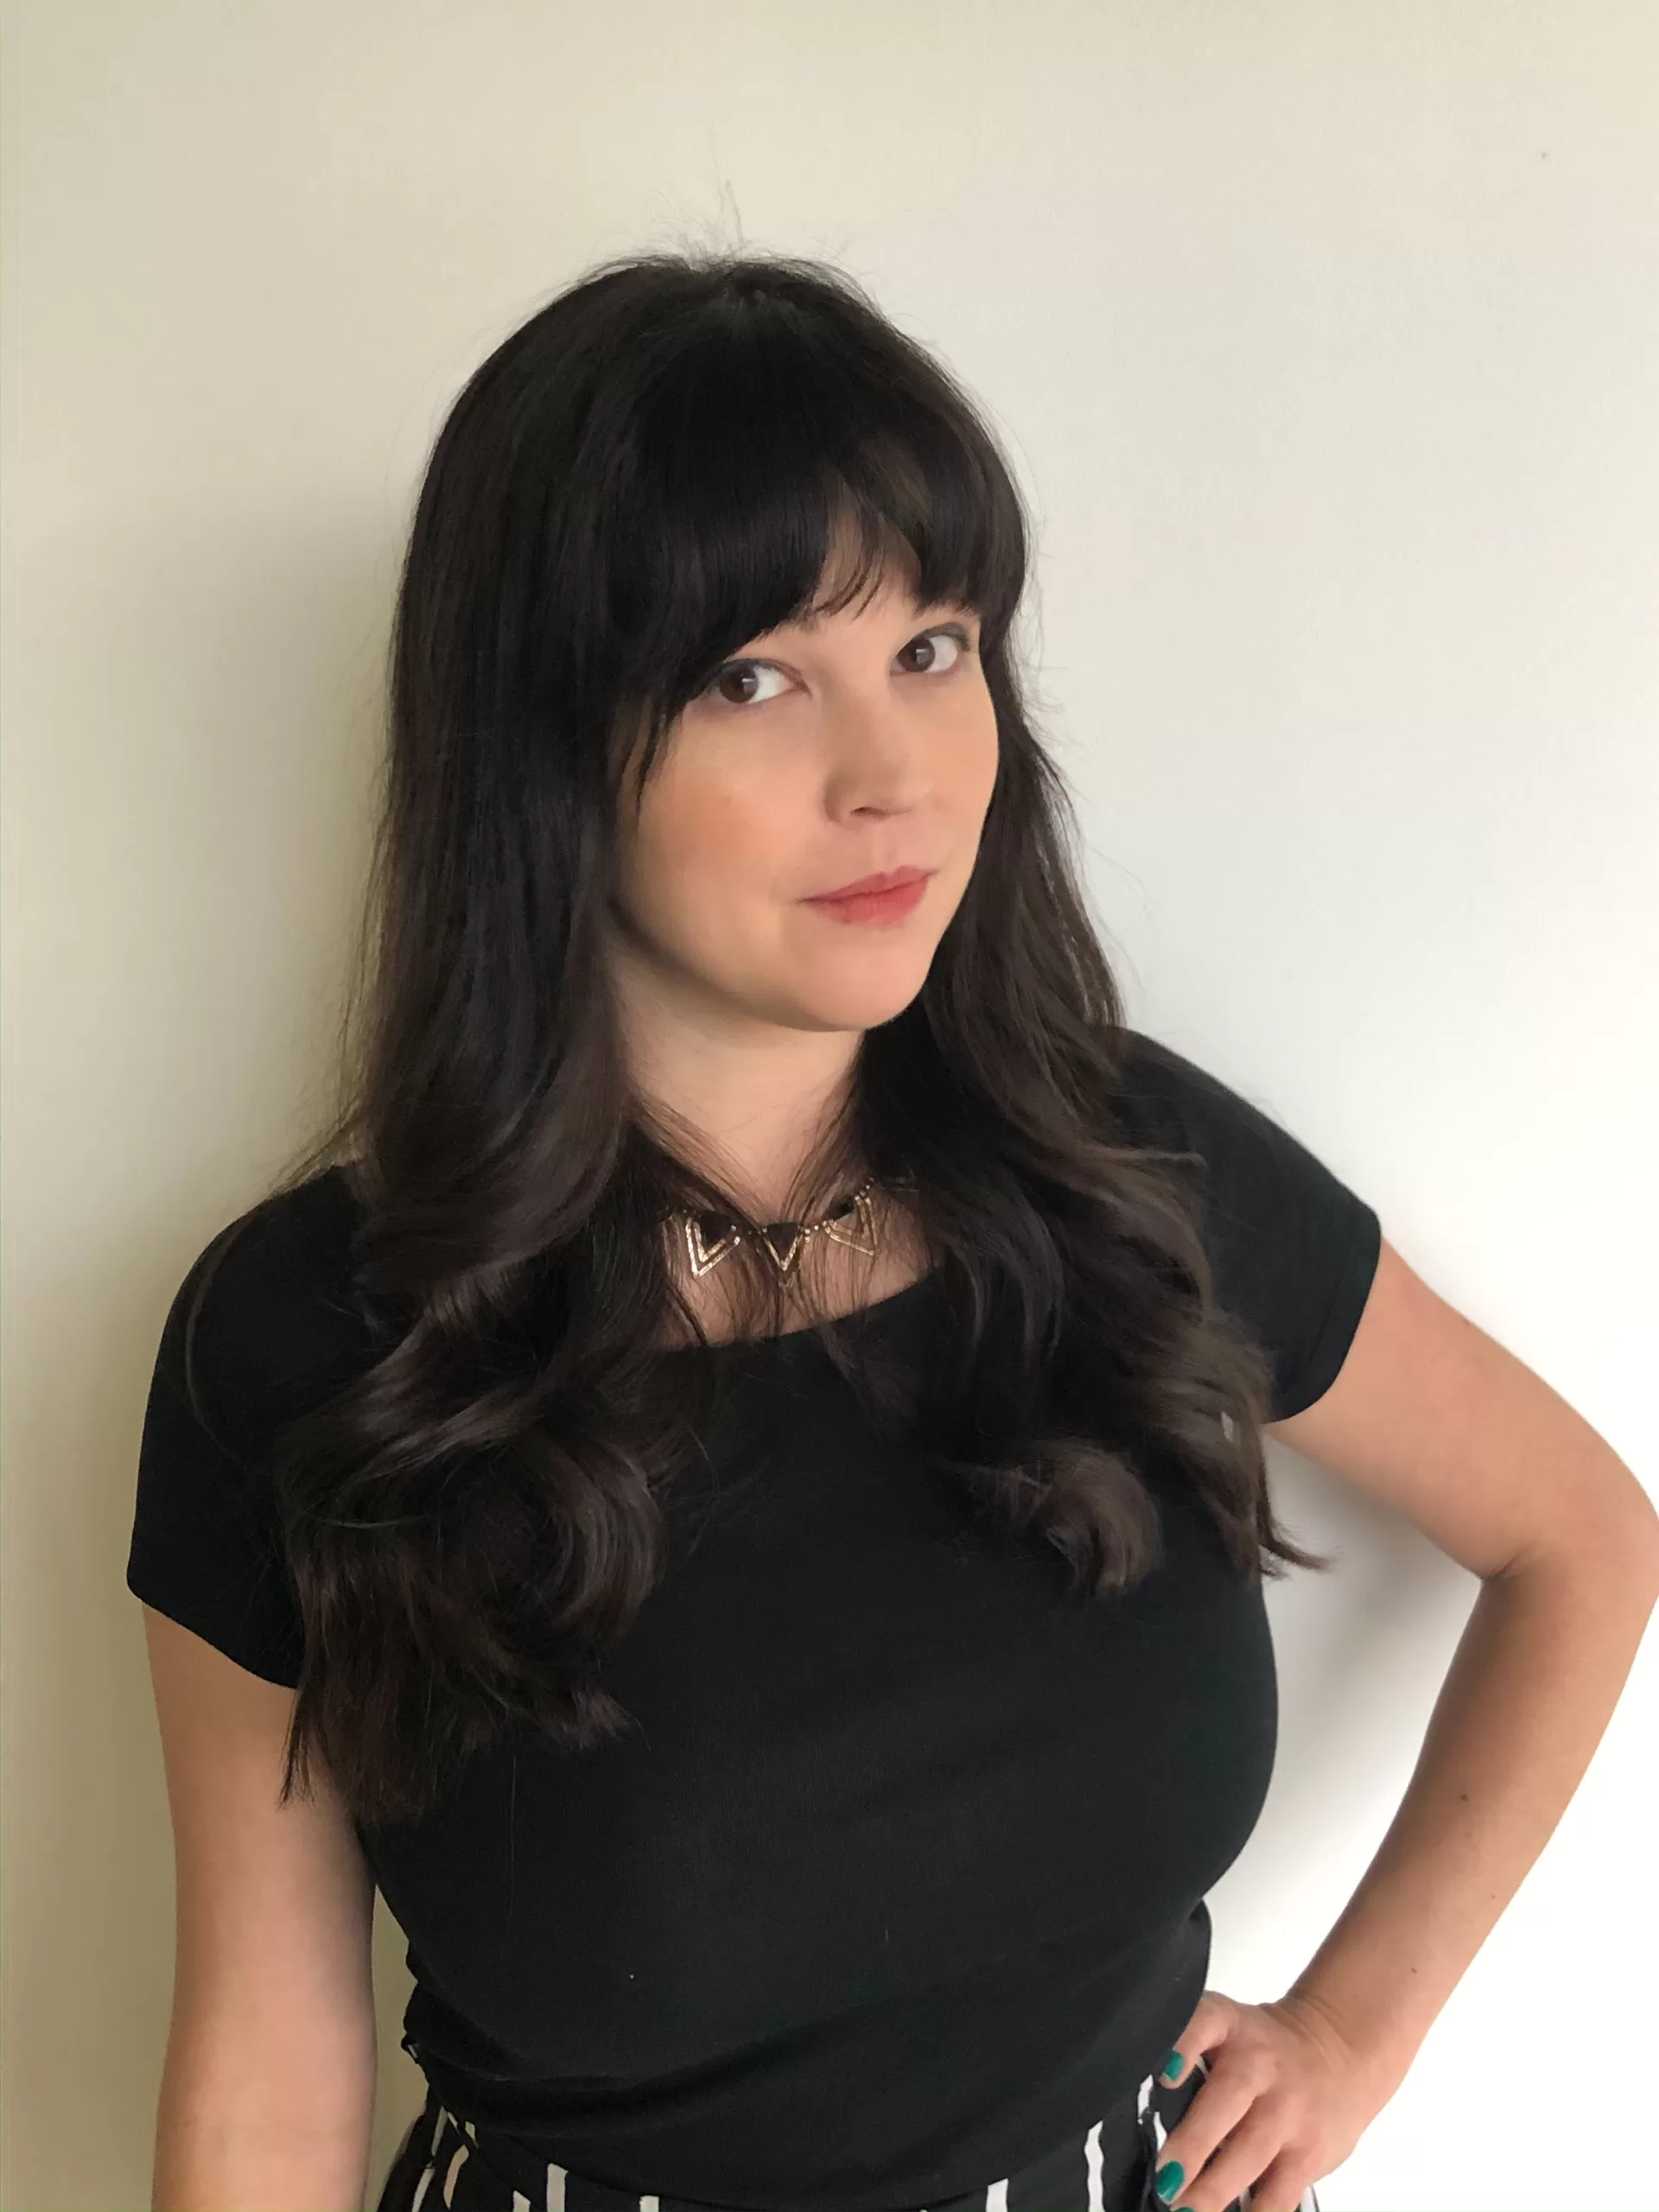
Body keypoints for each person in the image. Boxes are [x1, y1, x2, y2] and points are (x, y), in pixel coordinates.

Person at [126, 251, 1416, 2212]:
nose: (896, 776)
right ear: (546, 742)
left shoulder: (1126, 1169)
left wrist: (1355, 2029)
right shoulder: (314, 1339)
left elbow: (1583, 1537)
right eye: (753, 676)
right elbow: (263, 2074)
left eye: (936, 646)